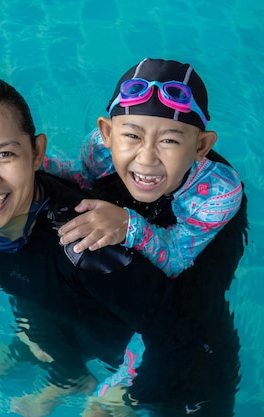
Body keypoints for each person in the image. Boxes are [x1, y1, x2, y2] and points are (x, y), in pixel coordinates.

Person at [0, 74, 244, 417]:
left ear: (36, 154)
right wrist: (47, 354)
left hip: (174, 337)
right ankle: (54, 367)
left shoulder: (88, 247)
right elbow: (28, 284)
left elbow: (177, 335)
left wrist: (124, 398)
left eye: (5, 154)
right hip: (97, 306)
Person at [44, 58, 244, 277]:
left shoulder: (219, 192)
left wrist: (129, 225)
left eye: (169, 141)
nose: (147, 158)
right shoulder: (101, 148)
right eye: (132, 136)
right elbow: (84, 177)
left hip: (199, 226)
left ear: (201, 146)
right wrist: (40, 163)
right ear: (108, 133)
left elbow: (177, 257)